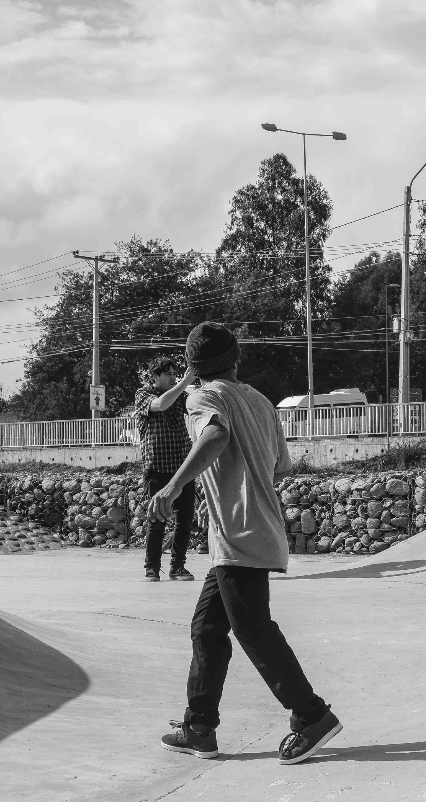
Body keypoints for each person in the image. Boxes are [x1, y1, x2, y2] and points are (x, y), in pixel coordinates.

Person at [153, 322, 341, 765]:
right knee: (207, 628)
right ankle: (199, 726)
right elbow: (281, 466)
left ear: (191, 367)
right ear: (237, 360)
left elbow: (215, 435)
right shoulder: (258, 400)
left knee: (253, 630)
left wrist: (174, 486)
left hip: (241, 533)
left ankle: (311, 715)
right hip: (250, 532)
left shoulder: (203, 397)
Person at [134, 356, 197, 582]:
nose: (173, 378)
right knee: (157, 518)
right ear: (155, 376)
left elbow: (196, 406)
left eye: (174, 374)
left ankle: (177, 566)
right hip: (158, 468)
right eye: (168, 374)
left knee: (185, 520)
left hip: (182, 469)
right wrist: (184, 382)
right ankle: (152, 567)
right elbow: (161, 404)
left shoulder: (181, 396)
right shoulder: (143, 395)